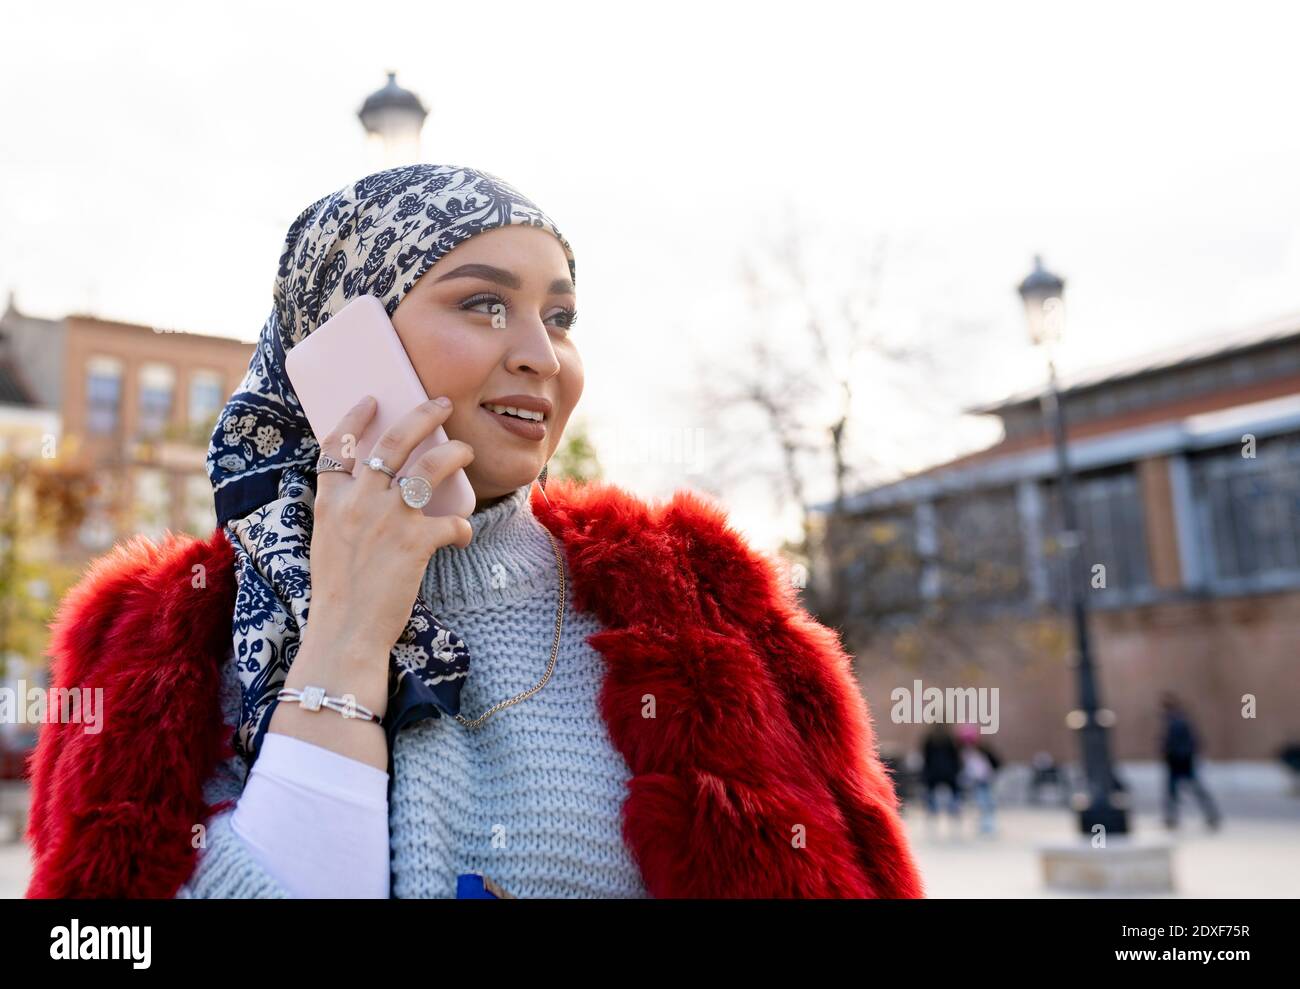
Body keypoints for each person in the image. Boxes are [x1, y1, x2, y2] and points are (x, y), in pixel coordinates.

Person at [24, 163, 925, 900]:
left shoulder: (707, 607)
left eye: (561, 316)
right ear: (344, 341)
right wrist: (343, 632)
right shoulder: (151, 643)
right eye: (484, 304)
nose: (542, 353)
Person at [1159, 692, 1221, 832]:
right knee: (1182, 791)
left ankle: (1174, 818)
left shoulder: (1176, 721)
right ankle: (1174, 818)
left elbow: (1184, 742)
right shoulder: (1175, 720)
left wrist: (1175, 755)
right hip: (1180, 761)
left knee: (1182, 791)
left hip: (1179, 761)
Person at [955, 724, 1001, 836]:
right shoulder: (962, 752)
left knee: (987, 802)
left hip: (984, 779)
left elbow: (996, 762)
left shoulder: (982, 749)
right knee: (982, 802)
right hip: (974, 781)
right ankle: (984, 823)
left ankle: (988, 824)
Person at [921, 724, 964, 834]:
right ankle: (954, 818)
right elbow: (956, 757)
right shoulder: (951, 740)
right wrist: (957, 770)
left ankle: (932, 819)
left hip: (933, 773)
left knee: (931, 798)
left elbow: (925, 757)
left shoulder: (930, 739)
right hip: (949, 773)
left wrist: (926, 772)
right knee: (954, 796)